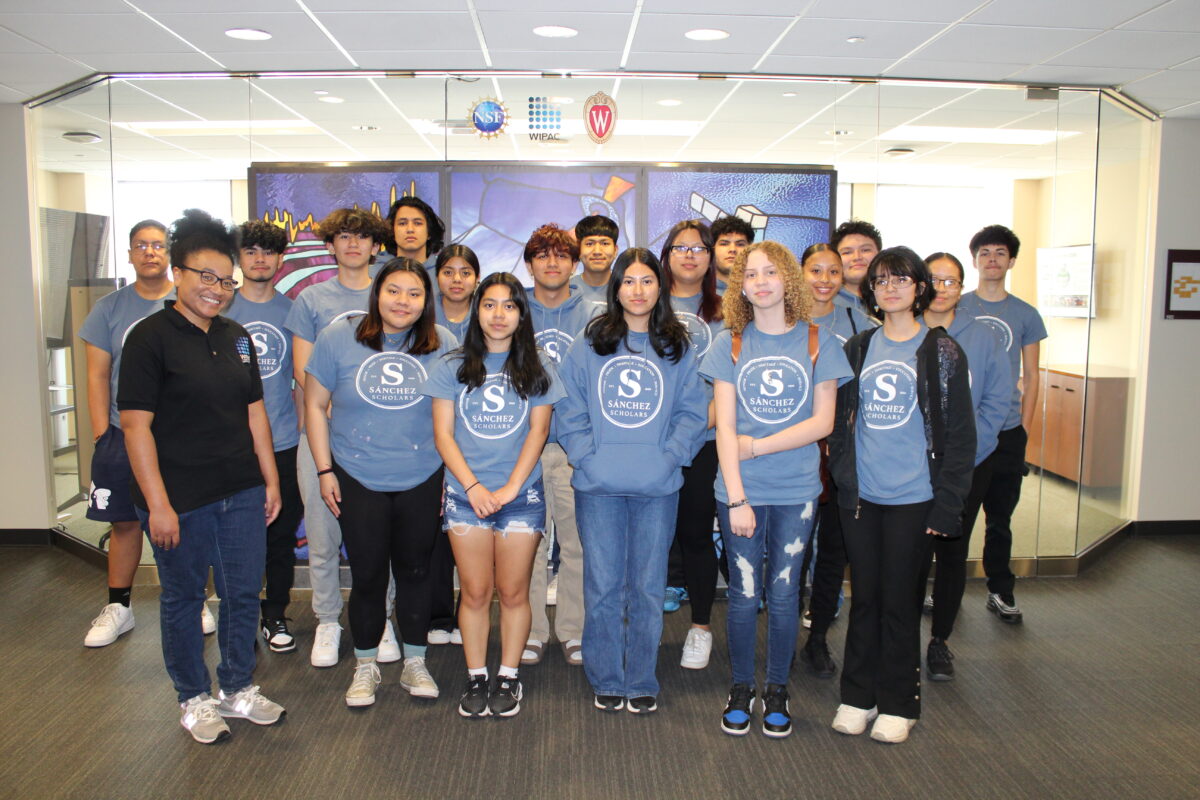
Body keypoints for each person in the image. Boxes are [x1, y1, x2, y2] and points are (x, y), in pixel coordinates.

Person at [118, 208, 285, 744]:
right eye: (205, 277)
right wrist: (158, 504)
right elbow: (136, 428)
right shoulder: (149, 338)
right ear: (178, 274)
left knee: (242, 593)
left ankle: (237, 688)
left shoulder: (237, 337)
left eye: (226, 280)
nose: (217, 289)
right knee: (184, 598)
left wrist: (271, 480)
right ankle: (192, 697)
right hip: (179, 498)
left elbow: (255, 412)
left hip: (240, 491)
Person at [700, 241, 851, 738]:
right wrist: (738, 497)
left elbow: (822, 422)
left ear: (788, 279)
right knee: (744, 595)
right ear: (739, 286)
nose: (761, 281)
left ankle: (778, 689)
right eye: (750, 274)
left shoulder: (819, 342)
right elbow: (724, 429)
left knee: (786, 594)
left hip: (796, 490)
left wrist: (758, 446)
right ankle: (742, 686)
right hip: (739, 493)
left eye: (770, 272)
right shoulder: (730, 343)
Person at [828, 246, 975, 744]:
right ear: (871, 289)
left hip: (915, 497)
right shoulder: (859, 347)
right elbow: (842, 424)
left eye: (901, 279)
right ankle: (857, 696)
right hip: (862, 497)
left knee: (898, 601)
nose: (890, 287)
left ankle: (898, 702)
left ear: (919, 289)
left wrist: (947, 503)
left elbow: (959, 437)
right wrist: (844, 477)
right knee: (864, 597)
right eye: (881, 280)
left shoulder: (941, 351)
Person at [556, 248, 707, 714]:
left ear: (659, 288)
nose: (637, 290)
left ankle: (640, 676)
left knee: (646, 585)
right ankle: (606, 675)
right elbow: (569, 407)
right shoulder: (591, 344)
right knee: (602, 584)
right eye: (628, 281)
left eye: (646, 281)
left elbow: (692, 413)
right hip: (598, 485)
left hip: (658, 487)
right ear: (615, 287)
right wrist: (586, 459)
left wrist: (671, 459)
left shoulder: (677, 346)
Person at [304, 258, 457, 708]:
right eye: (394, 290)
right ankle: (365, 665)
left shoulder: (442, 342)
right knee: (368, 576)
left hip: (422, 476)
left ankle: (414, 662)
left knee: (416, 573)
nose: (403, 301)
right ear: (377, 292)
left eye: (414, 293)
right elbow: (314, 406)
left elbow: (452, 414)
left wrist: (451, 474)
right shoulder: (339, 337)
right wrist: (324, 469)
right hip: (356, 475)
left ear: (426, 300)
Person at [424, 272, 562, 718]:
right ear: (476, 310)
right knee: (476, 592)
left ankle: (508, 675)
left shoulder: (539, 368)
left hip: (521, 497)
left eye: (509, 305)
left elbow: (538, 433)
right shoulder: (451, 366)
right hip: (467, 496)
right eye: (489, 304)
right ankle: (476, 675)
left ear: (522, 314)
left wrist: (508, 488)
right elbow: (444, 436)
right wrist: (474, 487)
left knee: (514, 591)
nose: (498, 314)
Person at [285, 207, 400, 668]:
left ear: (376, 246)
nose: (353, 245)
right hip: (322, 435)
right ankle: (328, 620)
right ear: (330, 245)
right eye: (344, 237)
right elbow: (303, 369)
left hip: (380, 440)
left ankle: (383, 617)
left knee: (380, 539)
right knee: (323, 533)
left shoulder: (391, 294)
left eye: (363, 238)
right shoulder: (311, 301)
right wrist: (336, 411)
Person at [80, 219, 192, 646]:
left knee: (182, 521)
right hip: (120, 434)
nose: (150, 252)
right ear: (129, 254)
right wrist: (100, 436)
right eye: (141, 246)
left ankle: (192, 599)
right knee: (124, 524)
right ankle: (118, 606)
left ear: (170, 255)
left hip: (175, 435)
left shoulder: (186, 303)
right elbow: (96, 376)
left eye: (158, 245)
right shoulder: (109, 309)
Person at [919, 252, 1012, 680]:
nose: (941, 289)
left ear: (962, 287)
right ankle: (900, 640)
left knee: (952, 553)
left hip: (967, 465)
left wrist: (967, 456)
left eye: (951, 281)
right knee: (910, 556)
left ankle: (940, 641)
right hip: (910, 468)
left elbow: (996, 402)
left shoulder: (984, 337)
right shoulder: (901, 330)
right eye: (933, 280)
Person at [957, 224, 1047, 624]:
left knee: (1001, 516)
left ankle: (1000, 588)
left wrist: (1023, 428)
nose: (992, 259)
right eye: (984, 253)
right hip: (966, 427)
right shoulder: (958, 307)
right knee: (956, 514)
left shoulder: (1025, 313)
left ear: (1011, 261)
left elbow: (1032, 373)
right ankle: (946, 588)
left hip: (1007, 429)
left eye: (999, 253)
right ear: (975, 260)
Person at [796, 242, 875, 678]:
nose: (824, 280)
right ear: (800, 273)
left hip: (842, 454)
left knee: (832, 552)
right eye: (815, 271)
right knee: (792, 551)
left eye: (833, 272)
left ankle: (819, 638)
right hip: (793, 449)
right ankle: (782, 637)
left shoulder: (858, 322)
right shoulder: (781, 318)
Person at [225, 220, 305, 653]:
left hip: (283, 443)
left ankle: (274, 614)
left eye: (268, 252)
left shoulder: (292, 311)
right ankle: (235, 615)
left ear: (280, 259)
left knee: (280, 537)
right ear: (239, 257)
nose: (259, 259)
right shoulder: (220, 310)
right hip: (229, 447)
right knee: (233, 535)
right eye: (251, 251)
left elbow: (299, 377)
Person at [523, 223, 597, 667]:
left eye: (561, 255)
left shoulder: (596, 315)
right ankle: (530, 629)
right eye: (542, 255)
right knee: (528, 544)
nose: (552, 263)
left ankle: (572, 630)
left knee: (577, 544)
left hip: (574, 449)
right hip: (522, 449)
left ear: (574, 263)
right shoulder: (510, 311)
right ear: (530, 263)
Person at [660, 219, 723, 670]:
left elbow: (729, 385)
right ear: (666, 256)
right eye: (679, 247)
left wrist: (693, 432)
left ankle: (700, 628)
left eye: (699, 248)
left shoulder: (728, 312)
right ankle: (639, 623)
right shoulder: (647, 303)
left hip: (705, 440)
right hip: (648, 442)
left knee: (697, 536)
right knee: (648, 541)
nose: (689, 255)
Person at [427, 243, 481, 645]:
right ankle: (439, 614)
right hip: (438, 442)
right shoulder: (424, 321)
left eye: (466, 271)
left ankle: (469, 611)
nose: (457, 279)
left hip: (483, 443)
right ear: (437, 277)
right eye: (449, 271)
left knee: (472, 535)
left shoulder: (488, 319)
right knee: (436, 535)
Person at [383, 195, 445, 275]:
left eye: (417, 223)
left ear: (429, 232)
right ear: (392, 230)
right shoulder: (373, 271)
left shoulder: (443, 273)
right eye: (402, 223)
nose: (410, 229)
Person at [431, 244, 480, 343]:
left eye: (465, 273)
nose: (457, 279)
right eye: (448, 273)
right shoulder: (423, 313)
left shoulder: (485, 315)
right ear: (437, 276)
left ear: (477, 278)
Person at [568, 213, 619, 307]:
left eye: (604, 243)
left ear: (615, 250)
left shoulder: (625, 289)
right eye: (589, 244)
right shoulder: (566, 290)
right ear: (578, 249)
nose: (597, 251)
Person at [831, 220, 882, 311]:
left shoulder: (894, 298)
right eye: (847, 252)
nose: (857, 257)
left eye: (865, 250)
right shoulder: (825, 303)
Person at [710, 216, 755, 294]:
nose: (732, 249)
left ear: (750, 250)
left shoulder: (757, 294)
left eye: (740, 244)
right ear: (712, 249)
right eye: (724, 244)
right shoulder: (696, 294)